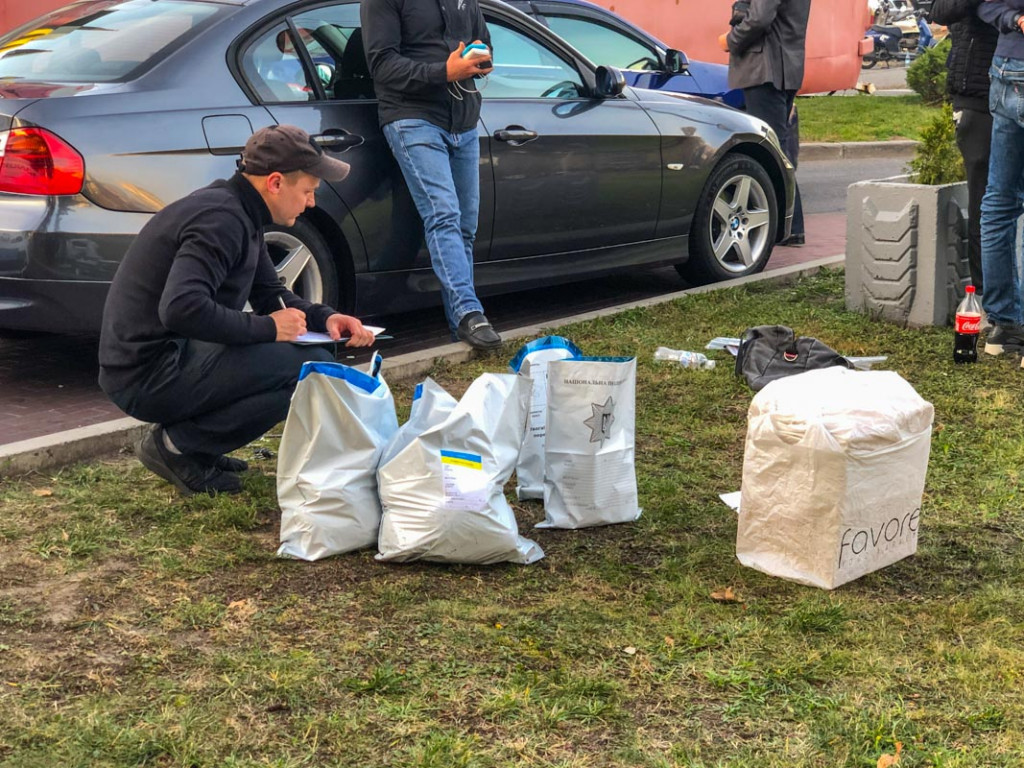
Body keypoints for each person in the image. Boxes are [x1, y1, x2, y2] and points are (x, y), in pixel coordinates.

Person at [98, 125, 376, 496]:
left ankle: (199, 448)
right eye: (308, 191)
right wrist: (267, 329)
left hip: (172, 356)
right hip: (147, 373)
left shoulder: (239, 211)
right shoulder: (221, 220)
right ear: (275, 183)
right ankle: (178, 447)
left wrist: (324, 318)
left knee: (316, 353)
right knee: (301, 369)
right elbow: (181, 309)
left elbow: (270, 294)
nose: (311, 203)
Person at [361, 0, 502, 351]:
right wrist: (444, 72)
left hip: (464, 120)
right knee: (443, 214)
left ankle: (463, 328)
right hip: (412, 116)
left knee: (465, 225)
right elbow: (382, 65)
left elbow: (483, 41)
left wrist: (479, 60)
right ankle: (470, 314)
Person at [721, 0, 811, 246]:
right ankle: (790, 226)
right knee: (777, 148)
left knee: (772, 150)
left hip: (765, 70)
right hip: (785, 68)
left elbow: (759, 18)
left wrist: (731, 40)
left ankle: (791, 226)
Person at [930, 0, 997, 298]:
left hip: (1008, 85)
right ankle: (987, 296)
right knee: (985, 200)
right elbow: (940, 10)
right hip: (976, 97)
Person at [976, 0, 1024, 355]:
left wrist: (1013, 18)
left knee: (999, 201)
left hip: (1006, 66)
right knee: (1000, 201)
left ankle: (1004, 327)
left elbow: (985, 4)